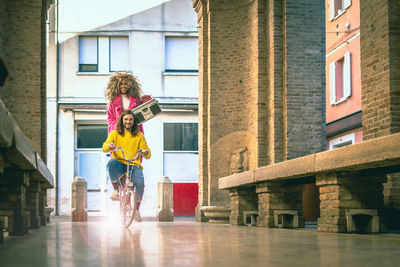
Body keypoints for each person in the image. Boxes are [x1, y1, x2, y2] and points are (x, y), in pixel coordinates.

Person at [102, 110, 151, 222]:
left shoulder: (139, 135)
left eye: (130, 119)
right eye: (126, 119)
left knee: (140, 183)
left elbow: (147, 151)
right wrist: (109, 146)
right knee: (111, 162)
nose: (128, 122)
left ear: (134, 122)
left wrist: (146, 152)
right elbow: (104, 147)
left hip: (133, 164)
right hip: (119, 163)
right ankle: (115, 190)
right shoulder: (115, 133)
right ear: (122, 121)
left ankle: (137, 210)